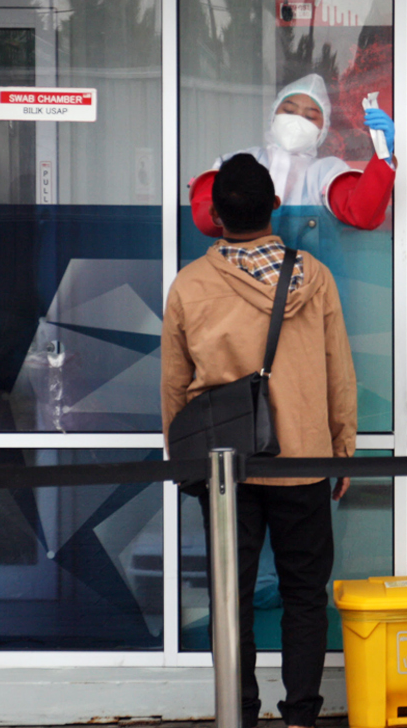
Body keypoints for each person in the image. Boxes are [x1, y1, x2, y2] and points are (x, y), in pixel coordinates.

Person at [162, 153, 358, 728]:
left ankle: (239, 715)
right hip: (304, 460)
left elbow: (174, 386)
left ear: (215, 216)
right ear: (275, 205)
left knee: (232, 598)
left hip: (225, 469)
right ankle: (300, 717)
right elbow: (339, 371)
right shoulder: (313, 277)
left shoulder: (190, 285)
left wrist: (182, 461)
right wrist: (342, 448)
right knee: (304, 594)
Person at [189, 73, 396, 237]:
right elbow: (207, 219)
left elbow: (361, 213)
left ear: (323, 130)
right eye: (289, 111)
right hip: (246, 276)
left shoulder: (326, 172)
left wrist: (383, 155)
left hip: (311, 277)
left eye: (310, 116)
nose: (297, 120)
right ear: (273, 115)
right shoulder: (241, 162)